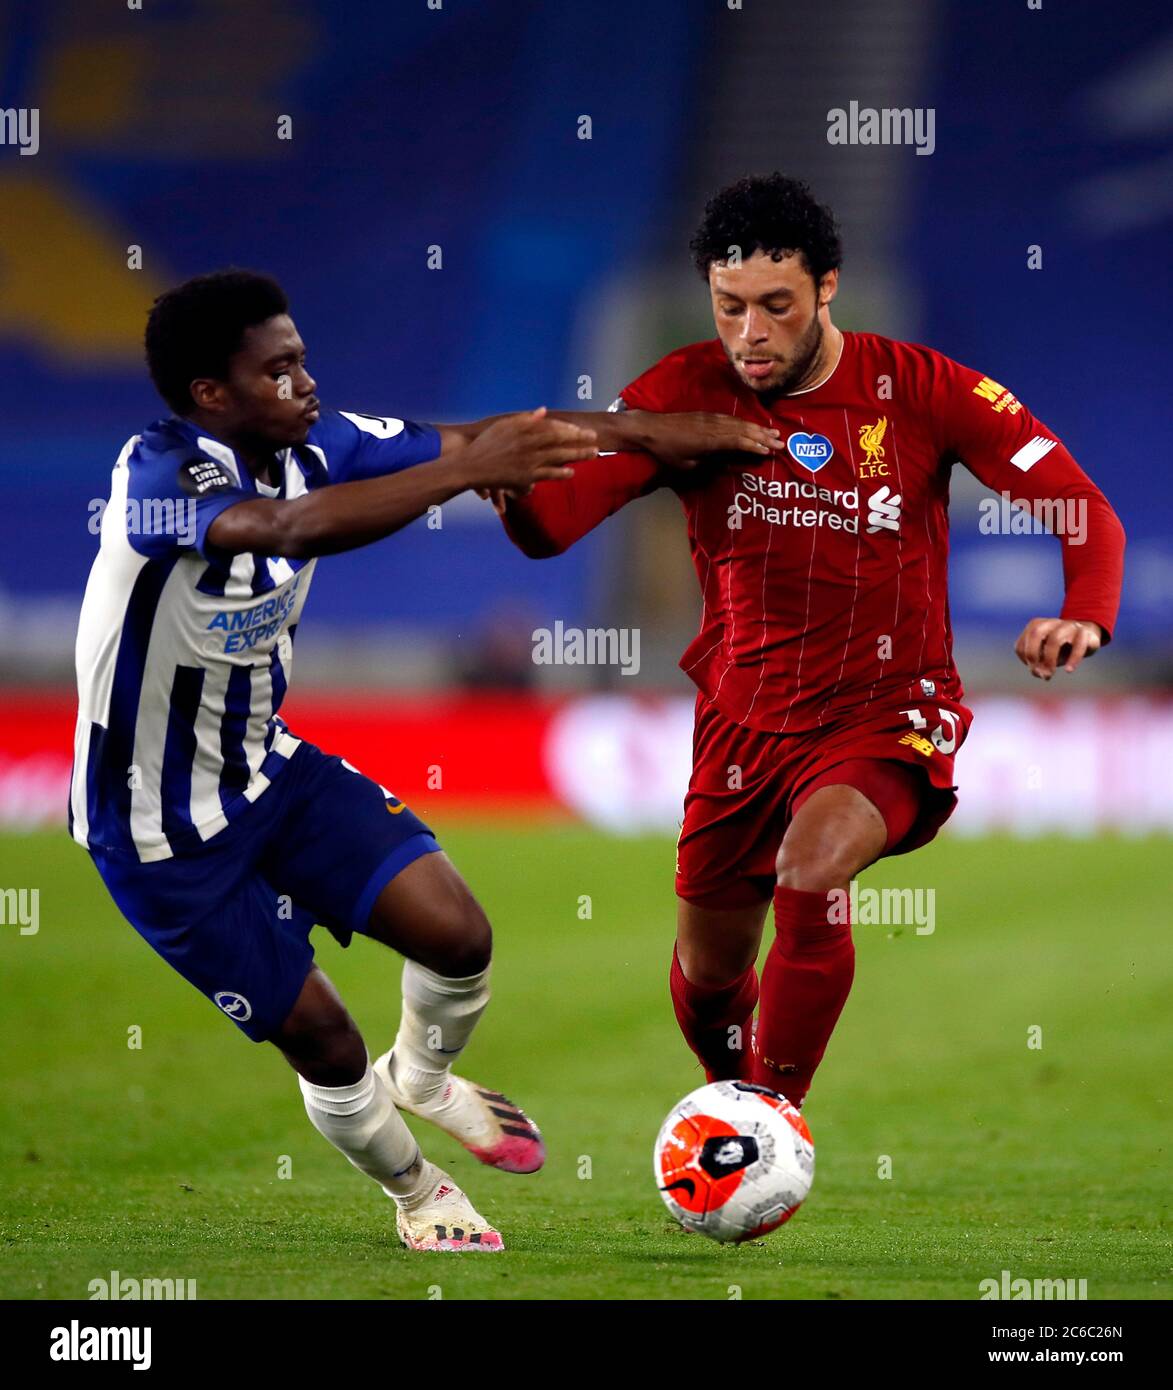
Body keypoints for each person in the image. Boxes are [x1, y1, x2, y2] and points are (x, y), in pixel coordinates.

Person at [69, 269, 776, 1250]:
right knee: (324, 1038)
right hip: (160, 830)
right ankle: (416, 1192)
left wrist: (661, 435)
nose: (306, 383)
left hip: (271, 771)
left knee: (459, 935)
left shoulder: (317, 442)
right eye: (278, 371)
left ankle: (428, 1078)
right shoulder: (156, 474)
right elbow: (287, 527)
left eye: (303, 358)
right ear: (210, 396)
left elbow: (492, 434)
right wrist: (464, 474)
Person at [493, 174, 1126, 1110]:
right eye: (729, 307)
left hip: (887, 708)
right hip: (742, 720)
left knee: (813, 867)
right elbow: (557, 524)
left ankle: (771, 1120)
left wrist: (1085, 608)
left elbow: (1079, 506)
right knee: (710, 975)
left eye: (775, 307)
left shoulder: (923, 387)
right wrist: (508, 484)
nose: (749, 333)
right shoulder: (680, 393)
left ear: (826, 288)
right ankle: (729, 1096)